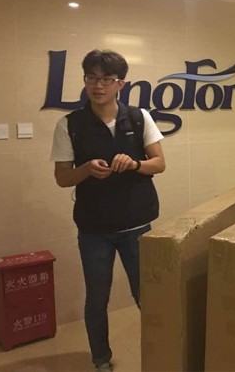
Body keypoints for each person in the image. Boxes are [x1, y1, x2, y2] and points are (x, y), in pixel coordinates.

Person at [50, 49, 166, 370]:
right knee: (97, 300)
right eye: (91, 78)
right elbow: (62, 178)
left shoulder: (139, 117)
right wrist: (86, 169)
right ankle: (101, 360)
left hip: (137, 225)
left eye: (106, 79)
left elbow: (159, 163)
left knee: (148, 296)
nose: (97, 85)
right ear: (85, 80)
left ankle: (160, 355)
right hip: (94, 230)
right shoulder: (70, 125)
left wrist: (135, 163)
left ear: (120, 84)